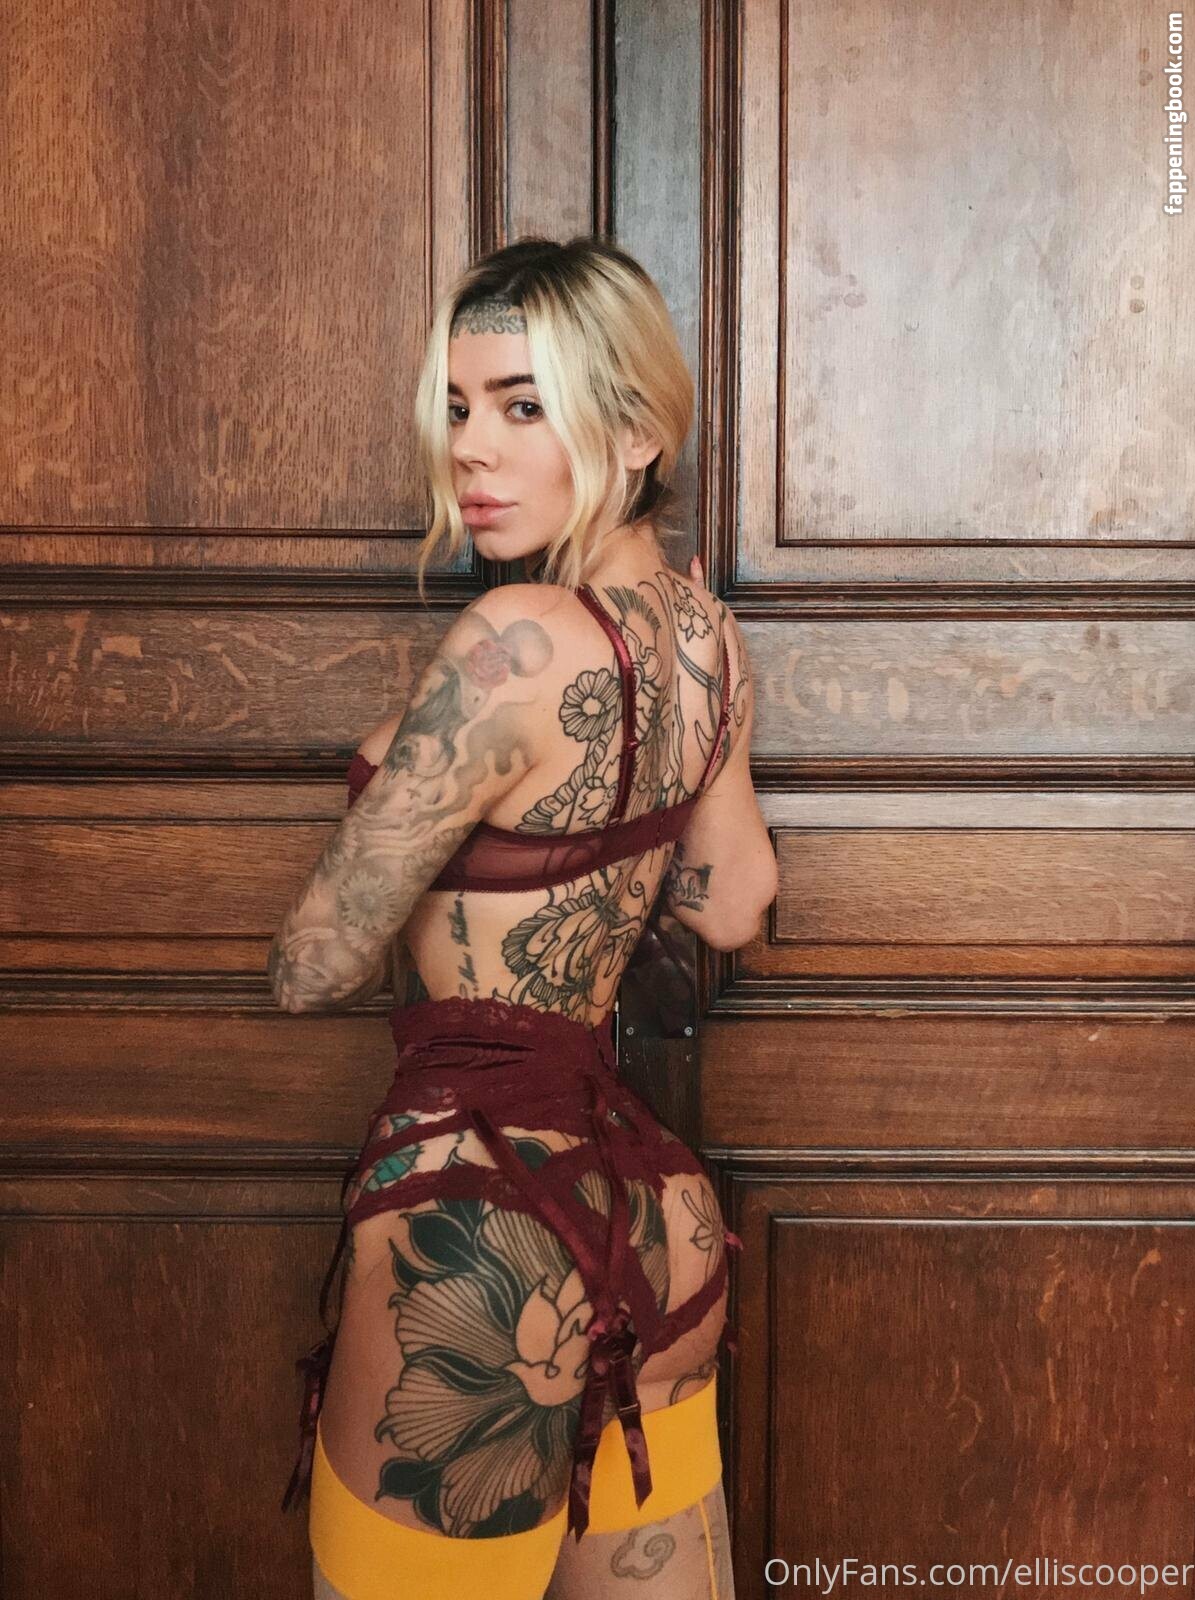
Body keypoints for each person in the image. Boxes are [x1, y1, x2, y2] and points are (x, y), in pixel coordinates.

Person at [269, 235, 778, 1600]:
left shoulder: (511, 643)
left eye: (521, 405)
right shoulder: (706, 637)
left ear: (637, 430)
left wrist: (410, 761)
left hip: (482, 1226)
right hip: (657, 1219)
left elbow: (316, 960)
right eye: (456, 406)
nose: (469, 450)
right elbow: (734, 905)